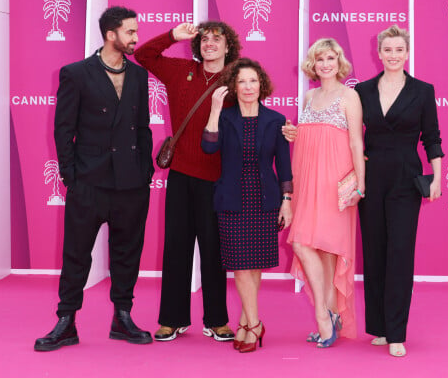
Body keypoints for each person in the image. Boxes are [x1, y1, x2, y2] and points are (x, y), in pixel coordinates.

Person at [35, 6, 154, 351]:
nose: (135, 38)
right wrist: (71, 176)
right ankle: (66, 320)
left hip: (131, 184)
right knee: (76, 254)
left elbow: (144, 127)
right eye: (130, 32)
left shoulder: (139, 76)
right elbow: (63, 129)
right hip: (89, 181)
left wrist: (144, 169)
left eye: (136, 31)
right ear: (110, 34)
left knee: (127, 252)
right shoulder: (76, 73)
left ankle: (123, 316)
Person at [134, 22, 241, 342]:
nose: (209, 44)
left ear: (228, 47)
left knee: (214, 251)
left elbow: (255, 114)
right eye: (204, 39)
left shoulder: (237, 79)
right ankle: (172, 319)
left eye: (217, 39)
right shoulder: (181, 70)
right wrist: (172, 36)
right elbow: (144, 55)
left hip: (218, 178)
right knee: (176, 248)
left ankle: (217, 320)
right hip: (180, 175)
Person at [354, 25, 444, 357]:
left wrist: (437, 175)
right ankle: (378, 326)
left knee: (400, 254)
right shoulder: (362, 90)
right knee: (375, 251)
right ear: (379, 53)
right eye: (387, 50)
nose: (393, 55)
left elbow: (431, 136)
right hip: (372, 179)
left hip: (406, 180)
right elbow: (346, 133)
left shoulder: (422, 90)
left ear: (407, 53)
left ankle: (397, 332)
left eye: (399, 50)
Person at [202, 58, 293, 353]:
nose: (248, 86)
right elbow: (209, 147)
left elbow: (285, 166)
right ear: (234, 87)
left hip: (264, 199)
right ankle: (255, 324)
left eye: (253, 80)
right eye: (242, 81)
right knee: (240, 266)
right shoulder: (226, 118)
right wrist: (215, 110)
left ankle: (245, 322)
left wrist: (287, 201)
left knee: (254, 268)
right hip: (232, 199)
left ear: (261, 84)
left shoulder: (276, 120)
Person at [287, 39, 365, 348]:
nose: (325, 64)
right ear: (313, 64)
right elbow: (308, 136)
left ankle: (326, 315)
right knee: (305, 244)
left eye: (330, 58)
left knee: (329, 251)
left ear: (339, 61)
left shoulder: (350, 96)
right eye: (320, 59)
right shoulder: (309, 95)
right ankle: (328, 314)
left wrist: (361, 182)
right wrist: (291, 132)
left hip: (336, 181)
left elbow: (357, 142)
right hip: (306, 179)